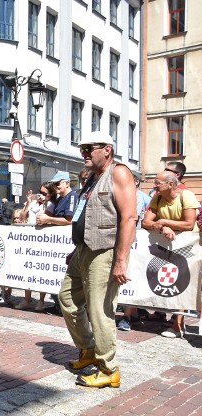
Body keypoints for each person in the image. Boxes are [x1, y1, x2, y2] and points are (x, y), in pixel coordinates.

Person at [58, 131, 136, 389]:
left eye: (89, 148)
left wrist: (121, 260)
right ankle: (88, 349)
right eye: (82, 149)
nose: (84, 153)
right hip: (82, 250)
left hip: (104, 252)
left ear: (107, 150)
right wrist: (77, 247)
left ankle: (108, 369)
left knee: (100, 311)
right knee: (67, 299)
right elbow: (84, 215)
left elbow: (129, 218)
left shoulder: (119, 173)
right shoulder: (91, 177)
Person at [142, 170, 200, 338]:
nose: (154, 186)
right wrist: (163, 227)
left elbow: (189, 224)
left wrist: (164, 221)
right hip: (169, 244)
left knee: (183, 282)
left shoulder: (186, 196)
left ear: (171, 184)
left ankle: (178, 325)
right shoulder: (157, 197)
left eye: (157, 183)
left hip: (188, 246)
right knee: (171, 280)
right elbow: (146, 221)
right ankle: (167, 316)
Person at [117, 172, 153, 332]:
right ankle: (134, 315)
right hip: (122, 241)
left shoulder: (139, 197)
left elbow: (134, 220)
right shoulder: (121, 194)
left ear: (135, 182)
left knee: (130, 279)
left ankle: (127, 317)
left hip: (134, 242)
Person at [18, 184, 54, 311]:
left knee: (41, 270)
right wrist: (27, 203)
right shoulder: (33, 203)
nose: (40, 195)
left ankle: (41, 301)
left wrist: (44, 203)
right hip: (30, 239)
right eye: (40, 192)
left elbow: (44, 219)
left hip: (43, 240)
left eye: (44, 193)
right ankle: (27, 299)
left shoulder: (50, 204)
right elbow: (22, 217)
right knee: (27, 269)